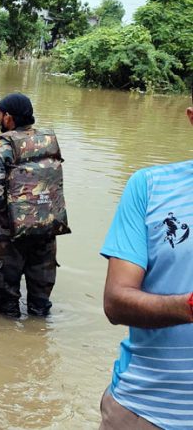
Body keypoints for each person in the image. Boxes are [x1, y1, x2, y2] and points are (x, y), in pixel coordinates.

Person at [98, 93, 193, 429]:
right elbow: (115, 302)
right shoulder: (150, 187)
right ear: (192, 118)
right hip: (147, 410)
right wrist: (189, 306)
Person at [0, 93, 70, 318]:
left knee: (7, 301)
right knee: (40, 301)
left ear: (8, 117)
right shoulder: (48, 139)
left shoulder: (3, 144)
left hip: (11, 231)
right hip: (47, 225)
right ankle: (37, 337)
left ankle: (8, 339)